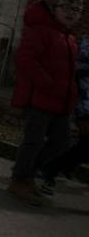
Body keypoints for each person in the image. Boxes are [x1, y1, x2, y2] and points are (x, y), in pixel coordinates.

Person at [8, 0, 82, 205]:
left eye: (76, 9)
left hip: (61, 103)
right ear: (54, 9)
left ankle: (28, 174)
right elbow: (25, 59)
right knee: (33, 142)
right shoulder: (41, 31)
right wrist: (46, 83)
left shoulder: (69, 38)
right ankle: (19, 180)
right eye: (65, 7)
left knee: (62, 142)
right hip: (40, 100)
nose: (70, 12)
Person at [38, 33, 89, 195]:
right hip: (86, 106)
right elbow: (80, 77)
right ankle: (49, 169)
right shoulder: (86, 48)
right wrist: (83, 112)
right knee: (84, 147)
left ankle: (55, 168)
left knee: (84, 147)